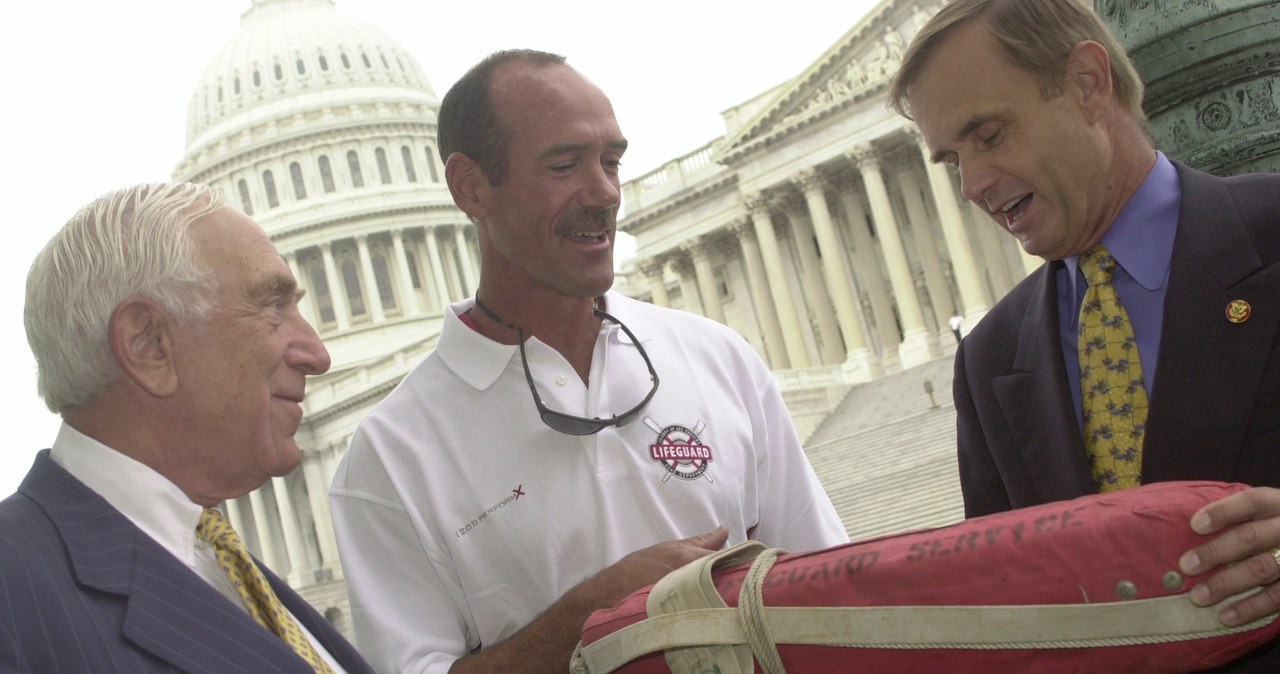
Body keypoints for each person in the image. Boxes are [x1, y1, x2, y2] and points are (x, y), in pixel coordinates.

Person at [329, 49, 848, 674]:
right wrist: (594, 620)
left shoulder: (717, 357)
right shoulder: (389, 458)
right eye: (563, 164)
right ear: (471, 187)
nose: (604, 192)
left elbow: (827, 587)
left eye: (611, 161)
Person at [888, 0, 1280, 668]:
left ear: (1088, 84)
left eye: (988, 136)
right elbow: (1008, 608)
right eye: (951, 158)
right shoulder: (988, 362)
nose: (972, 185)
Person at [3, 182, 374, 674]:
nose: (318, 353)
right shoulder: (15, 591)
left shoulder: (226, 564)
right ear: (149, 345)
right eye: (273, 307)